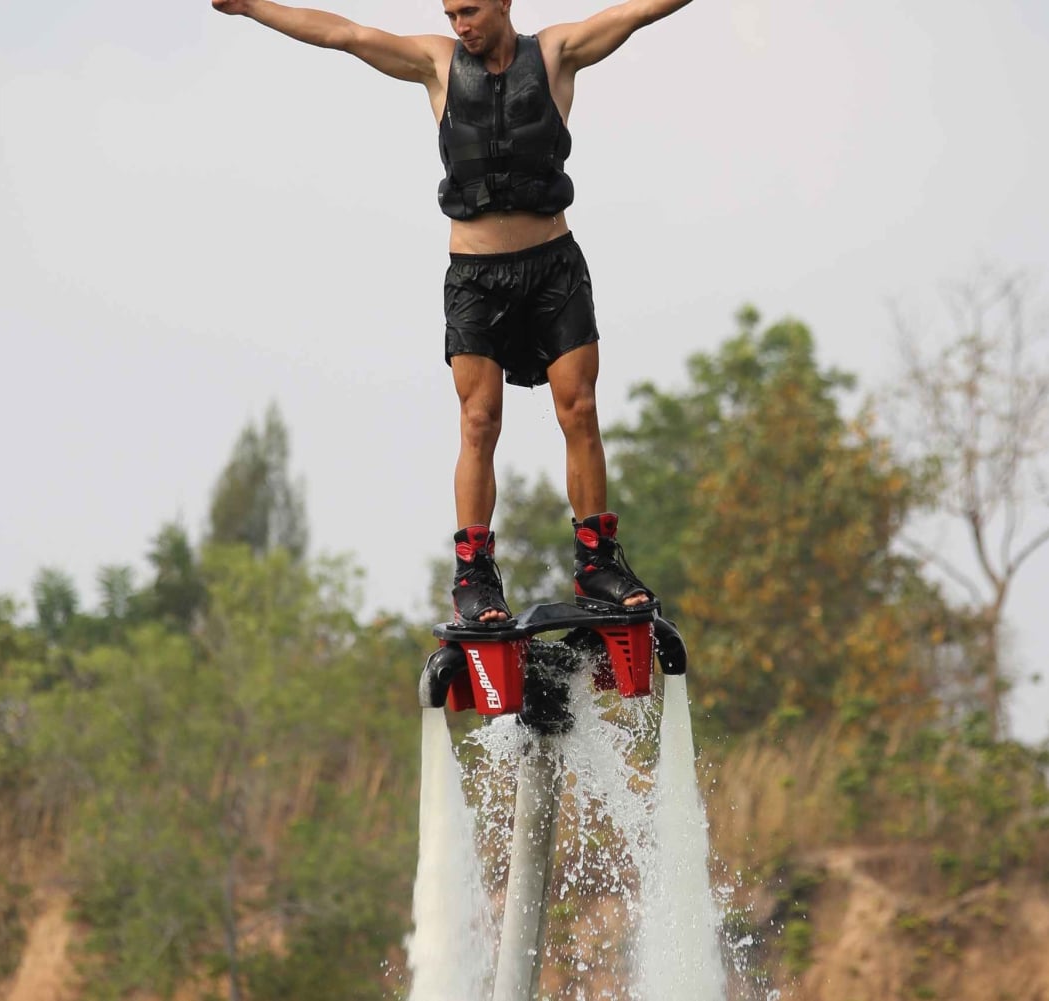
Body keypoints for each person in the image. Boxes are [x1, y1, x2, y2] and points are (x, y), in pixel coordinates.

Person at [210, 0, 697, 623]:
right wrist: (251, 6)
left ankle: (597, 564)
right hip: (476, 278)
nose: (459, 24)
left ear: (503, 2)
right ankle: (475, 575)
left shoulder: (555, 54)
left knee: (579, 408)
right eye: (450, 13)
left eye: (469, 10)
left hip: (554, 267)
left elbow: (638, 12)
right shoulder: (436, 65)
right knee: (478, 422)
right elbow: (345, 34)